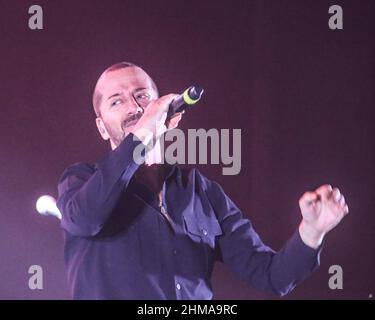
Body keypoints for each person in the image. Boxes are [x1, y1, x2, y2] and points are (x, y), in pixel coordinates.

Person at [56, 61, 349, 299]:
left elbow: (271, 276)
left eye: (142, 95)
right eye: (117, 101)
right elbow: (86, 218)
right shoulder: (80, 182)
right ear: (102, 128)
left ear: (167, 111)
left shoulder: (202, 192)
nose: (134, 107)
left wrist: (312, 231)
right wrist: (141, 134)